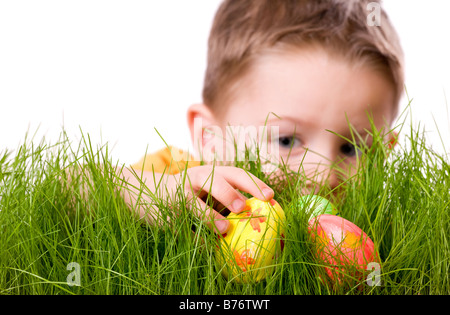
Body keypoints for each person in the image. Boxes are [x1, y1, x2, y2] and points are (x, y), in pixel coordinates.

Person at [118, 0, 404, 235]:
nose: (325, 175)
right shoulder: (178, 179)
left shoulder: (378, 224)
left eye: (352, 148)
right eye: (287, 140)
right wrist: (138, 193)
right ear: (211, 138)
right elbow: (74, 186)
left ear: (385, 152)